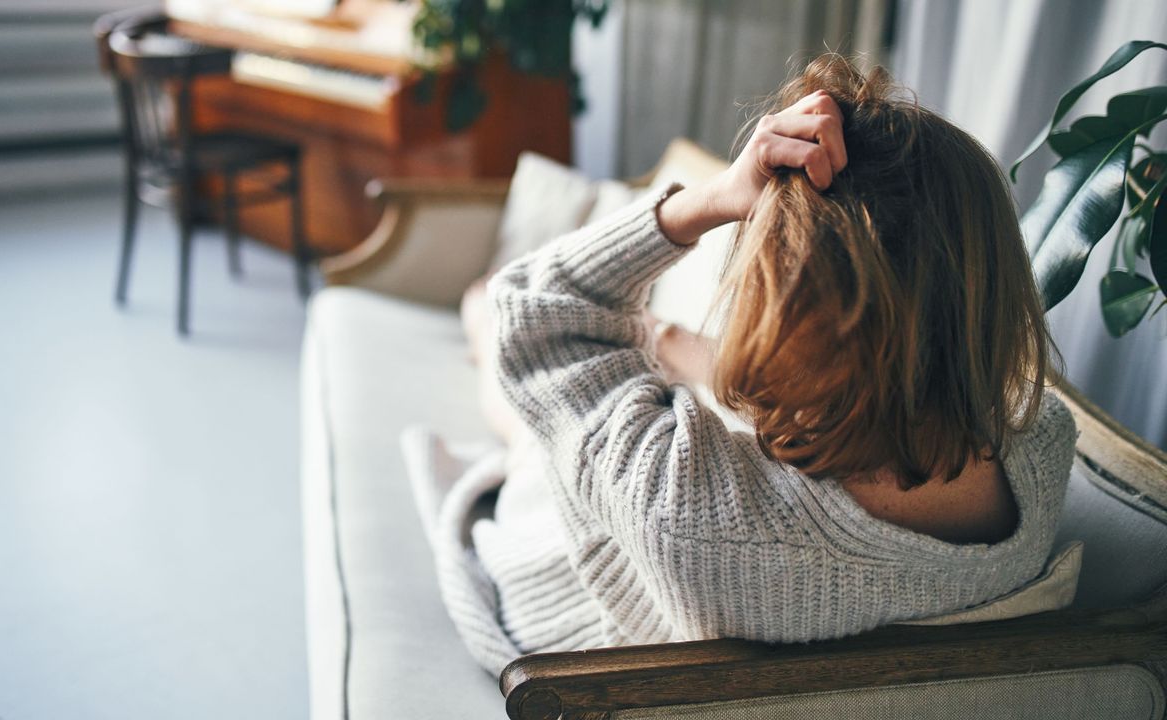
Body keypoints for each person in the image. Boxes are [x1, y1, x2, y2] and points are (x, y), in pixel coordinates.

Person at [411, 54, 1077, 675]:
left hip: (567, 582)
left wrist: (713, 198)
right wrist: (671, 347)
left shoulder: (688, 506)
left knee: (514, 397)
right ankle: (659, 339)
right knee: (657, 350)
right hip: (691, 509)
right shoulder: (1041, 450)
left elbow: (532, 310)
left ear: (797, 313)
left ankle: (511, 332)